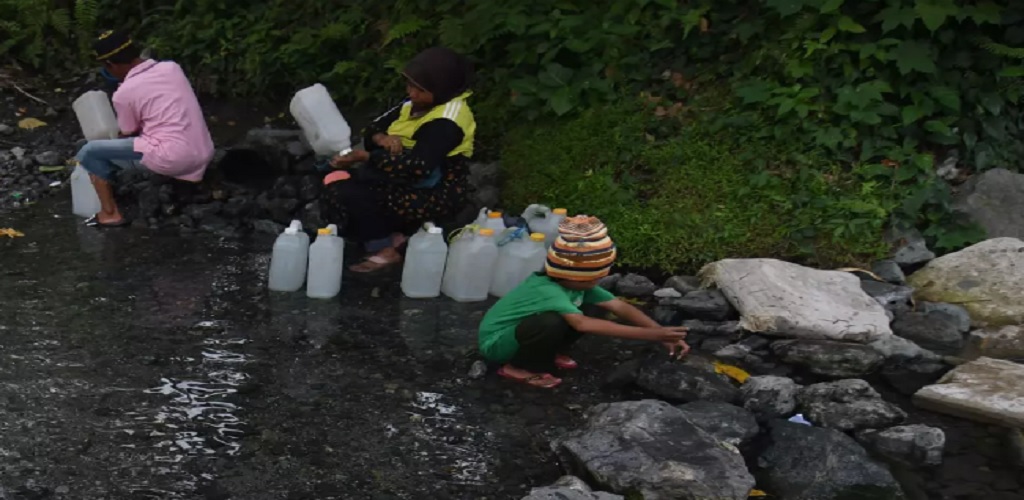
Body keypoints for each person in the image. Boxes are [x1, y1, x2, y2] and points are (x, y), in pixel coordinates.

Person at [477, 216, 690, 389]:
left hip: (520, 333)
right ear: (573, 276)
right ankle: (519, 368)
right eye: (593, 278)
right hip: (496, 344)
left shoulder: (576, 286)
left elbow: (619, 306)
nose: (597, 282)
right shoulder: (547, 290)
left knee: (588, 306)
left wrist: (660, 332)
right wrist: (654, 335)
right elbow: (582, 324)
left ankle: (550, 352)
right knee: (552, 321)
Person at [320, 47, 475, 273]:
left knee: (351, 193)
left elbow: (419, 167)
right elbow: (371, 129)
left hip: (436, 191)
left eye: (419, 89)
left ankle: (386, 248)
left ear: (441, 89)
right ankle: (393, 232)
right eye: (410, 85)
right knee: (332, 179)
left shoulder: (448, 120)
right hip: (399, 177)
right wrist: (383, 138)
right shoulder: (415, 103)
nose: (411, 93)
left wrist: (367, 157)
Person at [76, 30, 215, 227]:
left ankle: (110, 213)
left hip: (174, 158)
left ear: (111, 65)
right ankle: (187, 185)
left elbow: (128, 130)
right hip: (204, 151)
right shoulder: (172, 68)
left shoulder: (123, 93)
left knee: (89, 151)